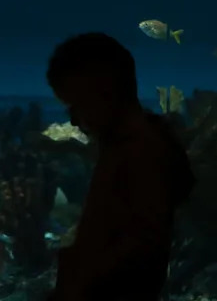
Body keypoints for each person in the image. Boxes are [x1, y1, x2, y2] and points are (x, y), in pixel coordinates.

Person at [45, 33, 195, 301]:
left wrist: (80, 282)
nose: (75, 120)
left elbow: (140, 242)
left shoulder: (140, 150)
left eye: (77, 105)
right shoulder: (126, 143)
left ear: (104, 94)